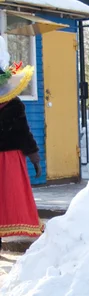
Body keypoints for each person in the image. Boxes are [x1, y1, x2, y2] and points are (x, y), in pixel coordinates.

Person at [0, 36, 42, 250]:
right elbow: (24, 133)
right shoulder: (15, 105)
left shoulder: (15, 105)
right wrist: (34, 156)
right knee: (8, 197)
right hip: (9, 160)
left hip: (9, 157)